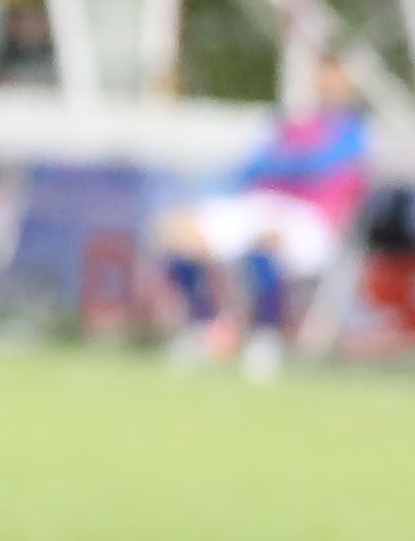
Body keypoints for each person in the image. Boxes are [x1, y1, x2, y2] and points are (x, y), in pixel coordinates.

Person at [157, 50, 370, 378]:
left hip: (313, 219)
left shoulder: (354, 131)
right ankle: (204, 329)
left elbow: (321, 168)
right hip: (262, 204)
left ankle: (265, 338)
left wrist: (286, 165)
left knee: (266, 240)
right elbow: (252, 168)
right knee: (180, 232)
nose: (327, 83)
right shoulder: (292, 124)